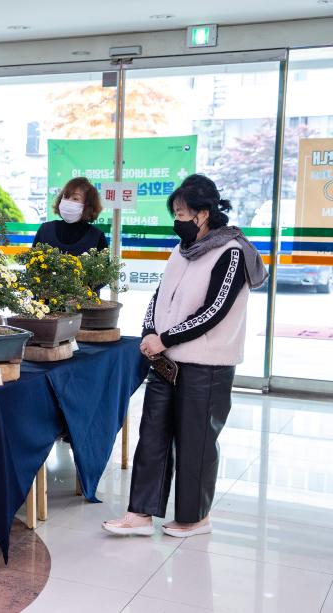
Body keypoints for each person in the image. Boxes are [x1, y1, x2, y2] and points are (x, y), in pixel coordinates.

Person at [103, 174, 268, 538]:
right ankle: (140, 514)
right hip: (165, 359)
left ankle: (195, 518)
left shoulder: (232, 253)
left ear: (203, 214)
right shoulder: (181, 251)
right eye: (175, 213)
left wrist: (165, 338)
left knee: (195, 442)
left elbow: (215, 311)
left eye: (181, 213)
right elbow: (160, 296)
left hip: (206, 364)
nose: (176, 220)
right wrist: (149, 331)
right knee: (153, 435)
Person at [33, 177, 108, 256]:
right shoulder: (45, 230)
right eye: (65, 197)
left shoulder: (96, 236)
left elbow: (105, 267)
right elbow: (32, 264)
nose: (68, 202)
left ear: (88, 205)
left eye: (75, 198)